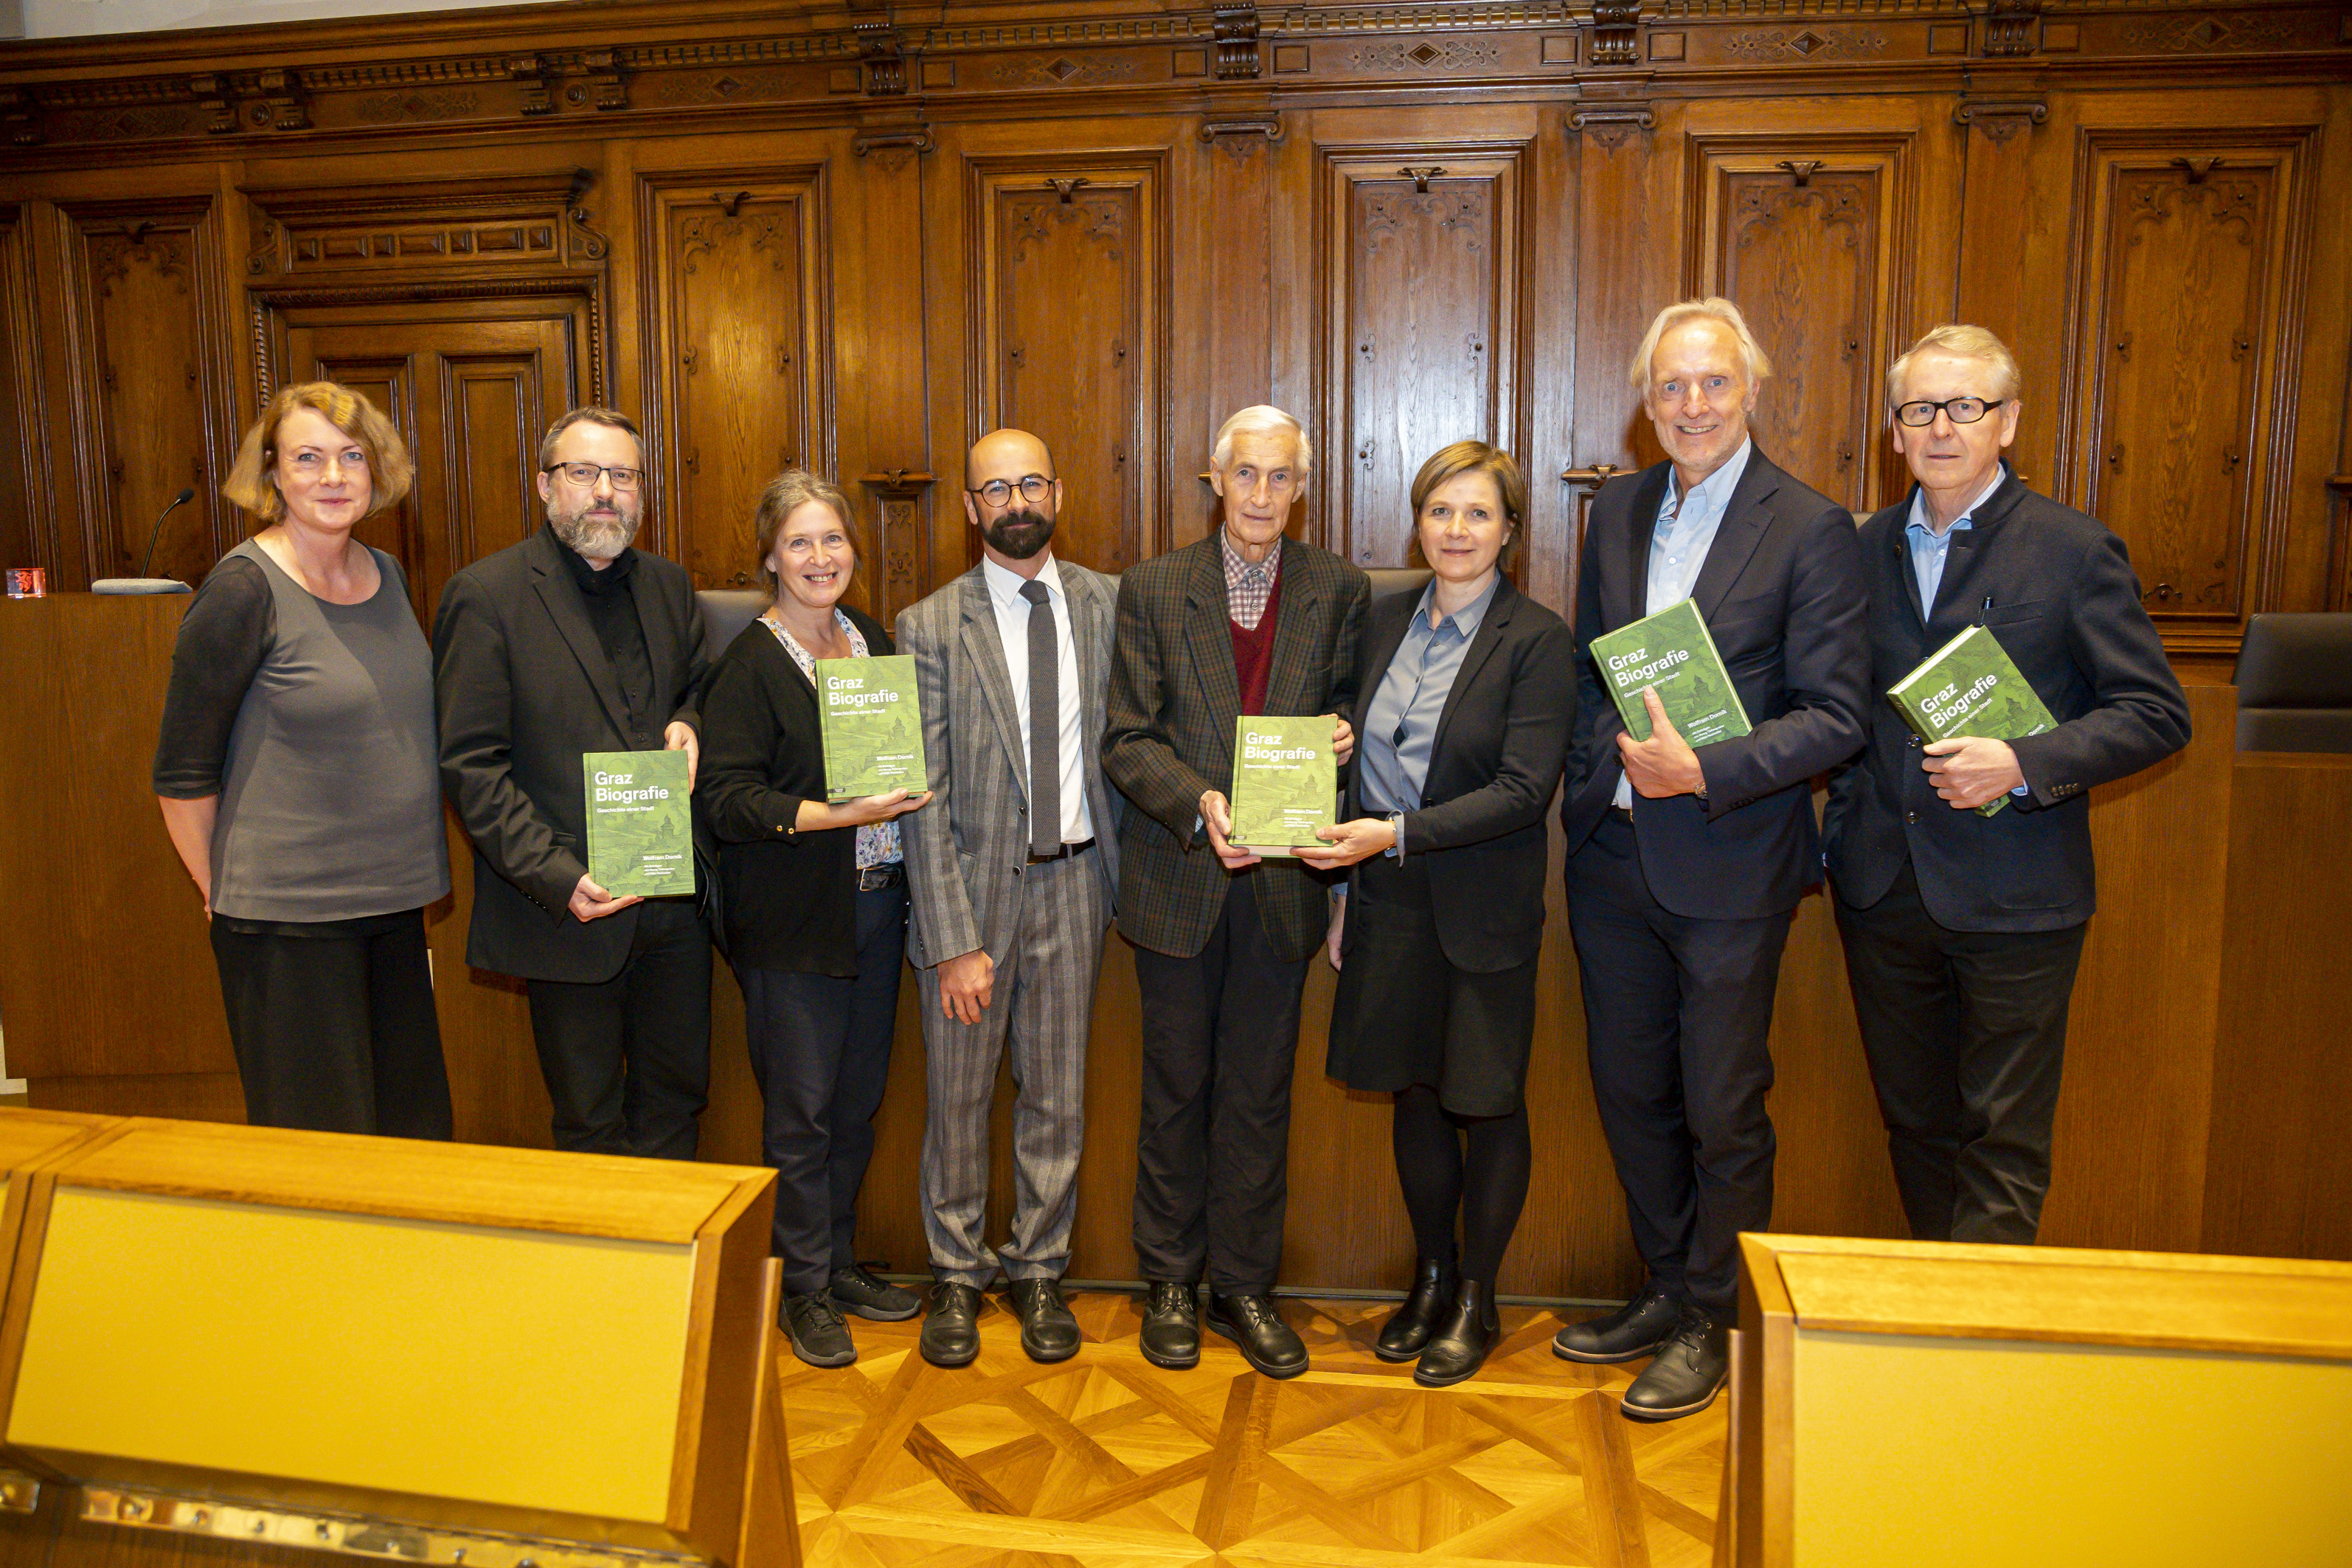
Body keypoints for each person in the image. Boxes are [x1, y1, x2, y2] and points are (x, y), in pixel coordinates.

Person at [1554, 299, 1869, 1421]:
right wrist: (1598, 779)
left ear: (1750, 392)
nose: (1691, 406)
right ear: (1648, 404)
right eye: (1670, 388)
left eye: (1712, 384)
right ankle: (1665, 1284)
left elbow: (1838, 716)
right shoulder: (1622, 508)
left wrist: (1710, 769)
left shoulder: (1811, 525)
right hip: (1612, 857)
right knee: (1630, 1090)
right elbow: (1597, 669)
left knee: (1721, 1102)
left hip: (1731, 862)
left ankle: (1714, 1317)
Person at [1825, 325, 2190, 1246]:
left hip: (2018, 895)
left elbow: (2155, 712)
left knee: (2003, 1138)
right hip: (1884, 886)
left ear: (2008, 421)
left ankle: (1978, 1362)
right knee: (1916, 1125)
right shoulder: (1856, 548)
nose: (1942, 427)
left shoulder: (2072, 549)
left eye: (1967, 406)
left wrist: (2025, 762)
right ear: (1895, 430)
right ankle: (1934, 1327)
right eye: (1920, 409)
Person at [1103, 404, 1369, 1380]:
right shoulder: (1152, 587)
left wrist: (1342, 734)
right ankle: (1169, 1281)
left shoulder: (1337, 588)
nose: (1262, 495)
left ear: (1303, 487)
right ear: (1213, 480)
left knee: (1258, 1096)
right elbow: (1126, 737)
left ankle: (1244, 1285)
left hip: (1285, 886)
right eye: (1245, 475)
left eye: (1281, 477)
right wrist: (1200, 799)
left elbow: (1351, 710)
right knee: (1174, 1091)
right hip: (1181, 879)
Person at [1308, 441, 1574, 1387]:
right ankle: (1429, 1277)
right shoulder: (1379, 617)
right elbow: (1351, 757)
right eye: (1440, 512)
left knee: (1486, 1099)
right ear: (1417, 522)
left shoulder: (1538, 639)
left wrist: (1394, 834)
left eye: (1478, 514)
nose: (1456, 531)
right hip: (1384, 900)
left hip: (1480, 907)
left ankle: (1478, 1296)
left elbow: (1521, 789)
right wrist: (1346, 880)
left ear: (1509, 530)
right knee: (1414, 1093)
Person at [153, 381, 452, 1137]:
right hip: (287, 923)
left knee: (407, 1136)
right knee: (320, 1151)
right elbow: (182, 772)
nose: (333, 476)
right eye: (309, 457)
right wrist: (222, 889)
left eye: (352, 456)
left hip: (391, 906)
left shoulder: (387, 574)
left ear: (376, 470)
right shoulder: (241, 588)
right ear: (272, 474)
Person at [896, 429, 1123, 1368]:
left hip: (1077, 882)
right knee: (956, 1095)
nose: (1016, 499)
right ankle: (956, 1270)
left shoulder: (1112, 603)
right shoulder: (929, 625)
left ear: (1059, 490)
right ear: (971, 507)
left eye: (1031, 480)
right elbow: (923, 791)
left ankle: (1038, 1267)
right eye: (996, 487)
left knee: (1057, 1097)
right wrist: (952, 939)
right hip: (972, 896)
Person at [698, 471, 933, 1367]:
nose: (820, 557)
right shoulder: (750, 665)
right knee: (800, 1112)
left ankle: (835, 1262)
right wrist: (842, 813)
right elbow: (726, 800)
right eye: (800, 542)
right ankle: (799, 1289)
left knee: (856, 1103)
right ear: (770, 558)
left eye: (832, 540)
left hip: (877, 914)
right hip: (794, 924)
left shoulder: (870, 641)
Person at [433, 406, 713, 1158]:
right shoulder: (485, 595)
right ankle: (610, 1280)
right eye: (583, 472)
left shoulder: (668, 585)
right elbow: (471, 764)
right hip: (571, 907)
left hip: (670, 904)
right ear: (544, 484)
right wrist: (561, 877)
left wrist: (689, 720)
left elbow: (694, 690)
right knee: (590, 1121)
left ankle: (672, 1276)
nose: (604, 491)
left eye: (621, 475)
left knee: (677, 1104)